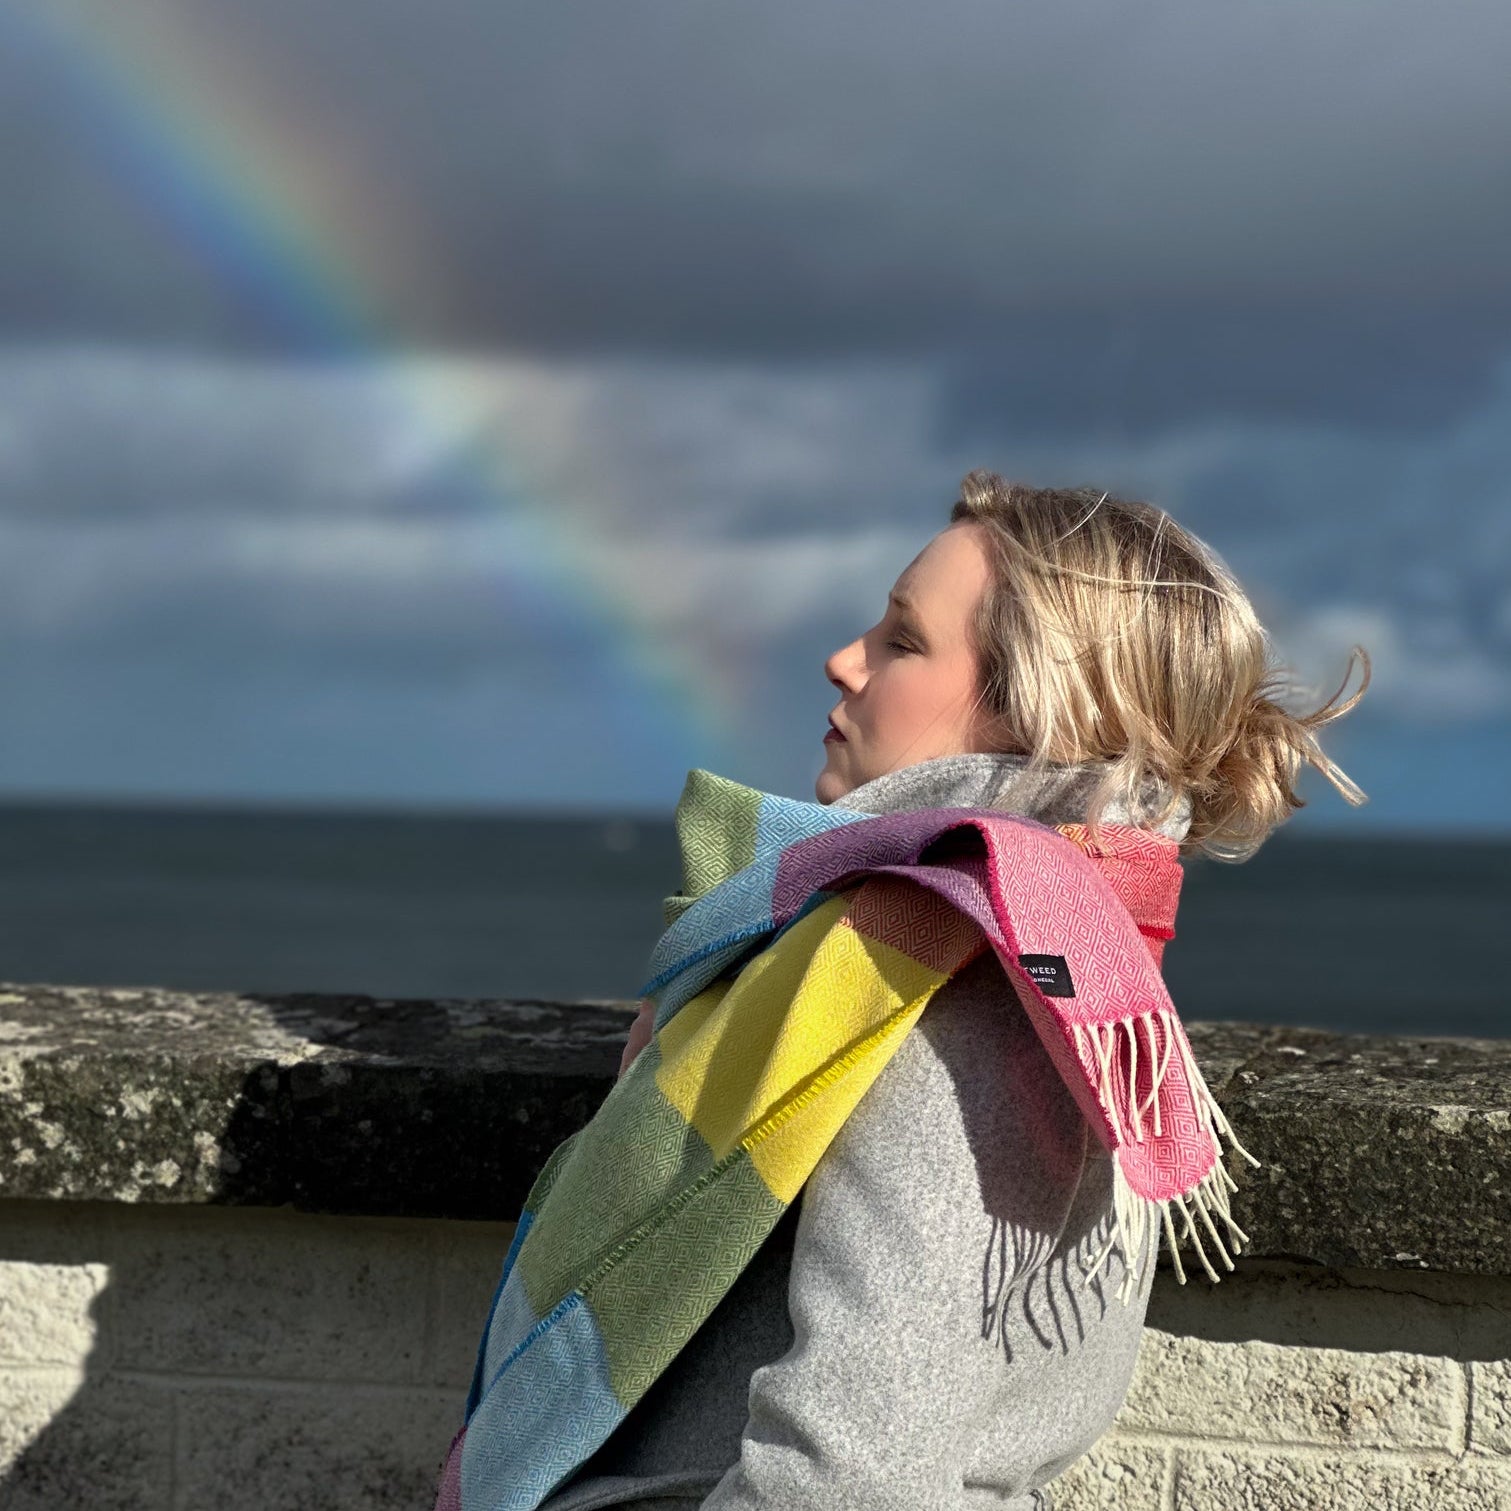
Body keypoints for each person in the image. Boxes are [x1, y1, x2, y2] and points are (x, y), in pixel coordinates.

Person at [530, 471, 1368, 1511]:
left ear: (1032, 708)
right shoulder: (1039, 962)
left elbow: (847, 1481)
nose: (844, 661)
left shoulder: (944, 997)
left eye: (901, 639)